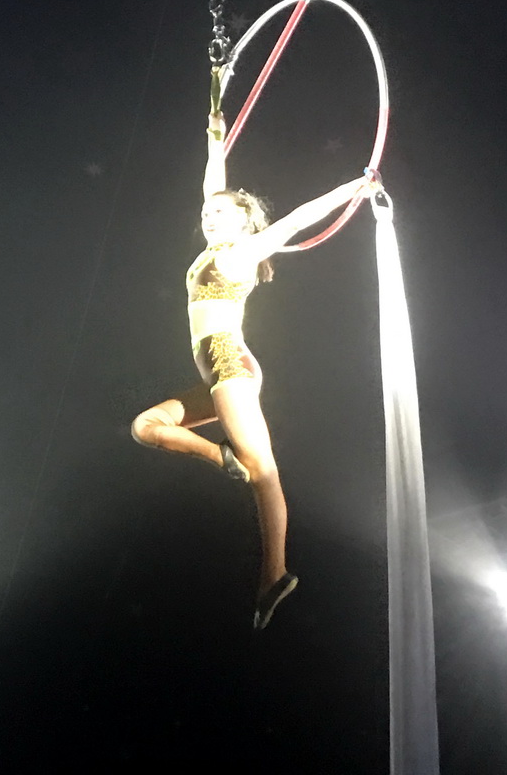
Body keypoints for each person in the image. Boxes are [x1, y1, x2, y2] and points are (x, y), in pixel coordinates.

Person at [132, 110, 375, 630]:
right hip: (217, 372)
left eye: (220, 215)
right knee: (146, 426)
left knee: (263, 471)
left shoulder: (242, 252)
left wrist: (356, 185)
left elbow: (297, 218)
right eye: (207, 215)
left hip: (229, 364)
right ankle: (220, 458)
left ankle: (275, 573)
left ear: (243, 222)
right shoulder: (215, 246)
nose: (209, 218)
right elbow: (211, 187)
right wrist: (216, 140)